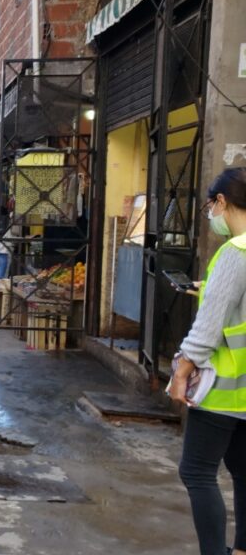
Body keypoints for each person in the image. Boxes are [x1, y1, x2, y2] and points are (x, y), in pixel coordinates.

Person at [169, 167, 246, 555]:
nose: (212, 215)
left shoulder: (235, 252)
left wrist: (182, 370)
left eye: (210, 206)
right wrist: (209, 289)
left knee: (196, 472)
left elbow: (209, 327)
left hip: (223, 388)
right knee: (244, 472)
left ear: (221, 202)